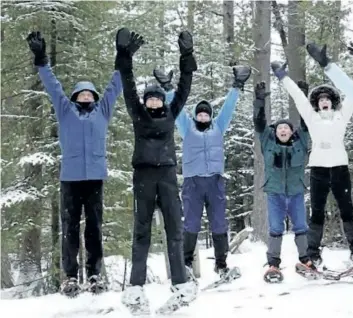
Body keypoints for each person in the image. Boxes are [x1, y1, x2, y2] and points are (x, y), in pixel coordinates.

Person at [26, 31, 123, 296]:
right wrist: (41, 59)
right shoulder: (65, 112)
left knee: (94, 228)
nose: (85, 97)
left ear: (94, 96)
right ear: (74, 97)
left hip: (94, 179)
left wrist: (122, 58)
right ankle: (69, 277)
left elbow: (116, 88)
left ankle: (94, 275)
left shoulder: (102, 112)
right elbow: (53, 86)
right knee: (69, 229)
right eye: (81, 94)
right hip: (70, 179)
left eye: (89, 94)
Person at [115, 28, 198, 315]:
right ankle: (136, 287)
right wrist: (124, 56)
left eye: (156, 98)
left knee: (174, 230)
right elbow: (127, 87)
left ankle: (181, 283)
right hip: (144, 177)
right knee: (142, 232)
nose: (153, 101)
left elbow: (185, 86)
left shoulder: (172, 112)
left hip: (167, 176)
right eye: (149, 98)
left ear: (163, 101)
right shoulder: (138, 114)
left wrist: (187, 56)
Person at [154, 65, 251, 280]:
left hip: (215, 181)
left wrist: (237, 85)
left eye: (207, 113)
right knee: (191, 223)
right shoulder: (187, 128)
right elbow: (177, 109)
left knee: (219, 223)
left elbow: (228, 107)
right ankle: (187, 263)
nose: (203, 116)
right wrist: (168, 87)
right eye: (200, 113)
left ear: (211, 116)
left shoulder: (219, 127)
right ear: (196, 116)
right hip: (193, 182)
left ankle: (221, 264)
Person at [271, 44, 353, 266]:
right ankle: (313, 255)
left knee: (348, 211)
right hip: (318, 170)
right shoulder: (312, 117)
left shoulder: (342, 115)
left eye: (327, 98)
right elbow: (298, 96)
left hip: (340, 169)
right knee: (316, 212)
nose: (324, 101)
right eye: (320, 99)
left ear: (333, 101)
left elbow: (352, 89)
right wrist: (283, 76)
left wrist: (328, 65)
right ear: (316, 103)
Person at [253, 80, 315, 282]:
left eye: (286, 128)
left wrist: (302, 95)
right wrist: (259, 101)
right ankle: (273, 264)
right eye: (279, 128)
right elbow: (259, 123)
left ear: (291, 132)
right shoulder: (267, 142)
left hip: (296, 192)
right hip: (275, 193)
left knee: (301, 226)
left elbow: (306, 119)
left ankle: (306, 260)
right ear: (275, 131)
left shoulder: (302, 142)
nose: (282, 130)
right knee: (276, 229)